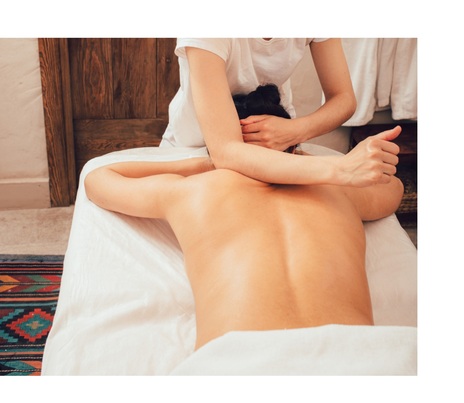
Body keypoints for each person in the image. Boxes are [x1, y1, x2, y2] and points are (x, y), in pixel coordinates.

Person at [85, 85, 404, 351]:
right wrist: (302, 159)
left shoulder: (194, 192)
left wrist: (212, 161)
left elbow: (99, 178)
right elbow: (393, 189)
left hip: (237, 357)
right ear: (294, 149)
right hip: (355, 353)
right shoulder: (340, 187)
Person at [160, 38, 364, 187]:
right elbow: (224, 151)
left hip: (276, 148)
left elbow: (344, 98)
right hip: (200, 147)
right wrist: (338, 169)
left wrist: (293, 131)